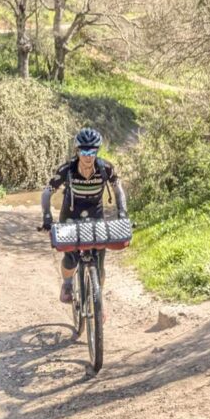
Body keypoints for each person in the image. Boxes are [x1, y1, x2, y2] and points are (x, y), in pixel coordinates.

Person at [40, 128, 128, 303]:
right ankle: (67, 283)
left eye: (92, 152)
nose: (88, 156)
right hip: (70, 214)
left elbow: (118, 189)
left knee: (100, 262)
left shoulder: (106, 168)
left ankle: (98, 301)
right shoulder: (67, 170)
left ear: (97, 151)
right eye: (84, 152)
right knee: (70, 258)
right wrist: (47, 217)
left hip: (96, 213)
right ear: (77, 151)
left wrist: (122, 212)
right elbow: (47, 193)